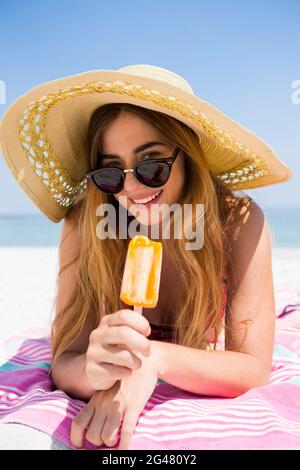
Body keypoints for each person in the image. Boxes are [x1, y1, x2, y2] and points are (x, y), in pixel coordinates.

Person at [0, 64, 293, 450]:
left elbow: (253, 368)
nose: (131, 188)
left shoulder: (235, 223)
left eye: (151, 165)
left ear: (187, 156)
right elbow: (65, 359)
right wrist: (93, 371)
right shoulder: (84, 224)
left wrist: (154, 359)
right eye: (109, 173)